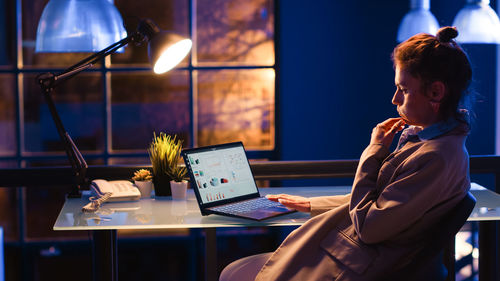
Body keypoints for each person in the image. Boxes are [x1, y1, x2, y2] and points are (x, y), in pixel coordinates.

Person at [219, 26, 474, 281]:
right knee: (236, 271)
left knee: (233, 274)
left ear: (436, 92)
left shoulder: (436, 157)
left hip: (357, 267)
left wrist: (373, 152)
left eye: (404, 89)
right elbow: (383, 205)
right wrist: (310, 204)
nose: (395, 99)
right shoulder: (434, 145)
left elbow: (369, 226)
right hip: (357, 258)